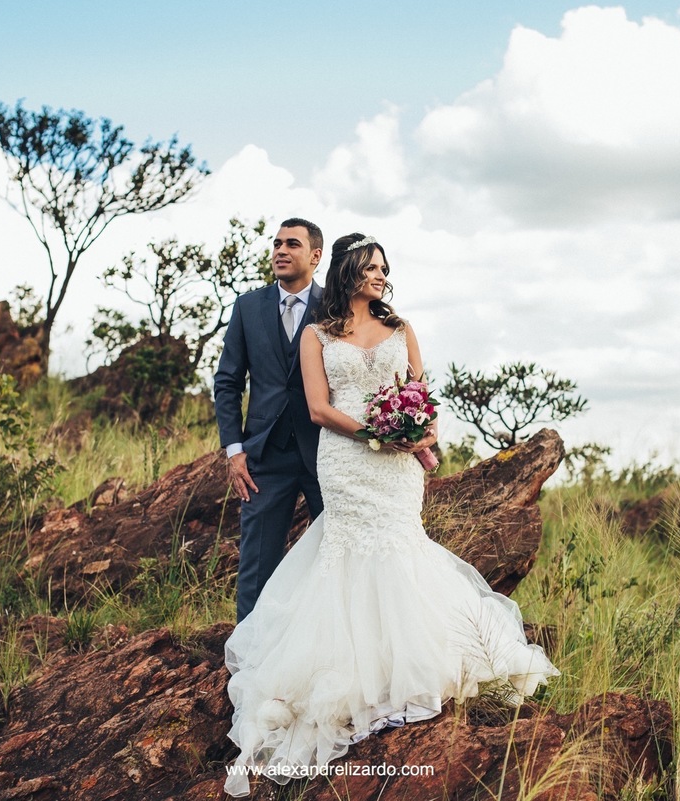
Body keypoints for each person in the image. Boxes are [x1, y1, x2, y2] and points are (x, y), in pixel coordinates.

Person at [223, 233, 559, 797]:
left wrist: (422, 431)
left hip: (399, 467)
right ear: (350, 270)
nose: (381, 275)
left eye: (385, 268)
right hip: (346, 461)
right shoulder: (317, 335)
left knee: (401, 546)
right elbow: (318, 407)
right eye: (372, 267)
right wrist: (377, 432)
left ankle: (415, 663)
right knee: (348, 551)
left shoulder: (402, 330)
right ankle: (343, 673)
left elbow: (421, 395)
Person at [214, 217, 326, 623]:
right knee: (257, 566)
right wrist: (235, 450)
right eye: (277, 243)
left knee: (338, 559)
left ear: (315, 256)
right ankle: (248, 662)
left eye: (291, 244)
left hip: (327, 455)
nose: (280, 250)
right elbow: (227, 382)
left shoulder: (334, 307)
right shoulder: (247, 307)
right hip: (263, 458)